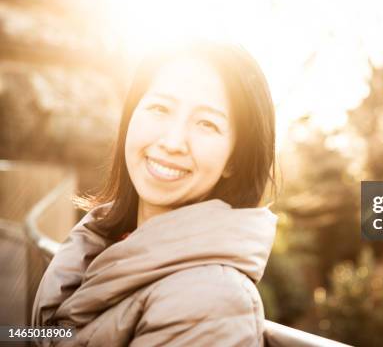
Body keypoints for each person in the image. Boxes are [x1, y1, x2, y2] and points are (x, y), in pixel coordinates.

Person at [31, 41, 278, 346]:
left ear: (234, 160)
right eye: (160, 108)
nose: (173, 141)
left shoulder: (213, 300)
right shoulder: (100, 242)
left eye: (206, 124)